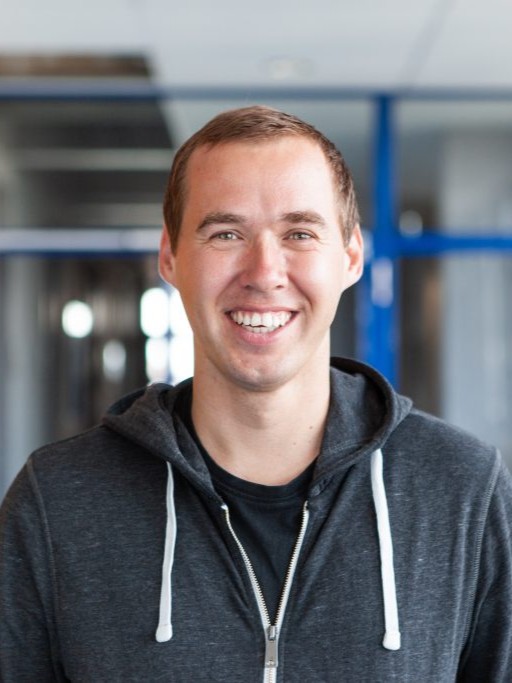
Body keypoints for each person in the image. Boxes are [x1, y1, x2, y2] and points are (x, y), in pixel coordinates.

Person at [1, 105, 511, 683]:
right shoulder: (58, 501)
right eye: (226, 233)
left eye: (299, 233)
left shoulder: (461, 490)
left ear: (350, 257)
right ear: (170, 256)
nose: (264, 272)